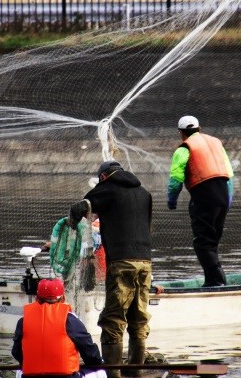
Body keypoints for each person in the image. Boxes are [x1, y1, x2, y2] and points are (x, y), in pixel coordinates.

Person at [69, 161, 153, 378]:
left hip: (121, 263)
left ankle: (113, 375)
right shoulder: (144, 193)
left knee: (113, 319)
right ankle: (135, 372)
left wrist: (71, 222)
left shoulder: (107, 188)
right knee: (138, 315)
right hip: (145, 262)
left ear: (104, 177)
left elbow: (82, 206)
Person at [167, 115, 234, 287]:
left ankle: (216, 282)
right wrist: (228, 201)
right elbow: (229, 174)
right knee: (213, 239)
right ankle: (216, 279)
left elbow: (176, 179)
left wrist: (172, 200)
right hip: (223, 197)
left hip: (204, 197)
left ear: (181, 133)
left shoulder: (184, 149)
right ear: (199, 128)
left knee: (202, 242)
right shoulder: (216, 143)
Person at [11, 278, 106, 378]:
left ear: (37, 298)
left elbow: (16, 352)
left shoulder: (23, 321)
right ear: (63, 298)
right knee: (101, 370)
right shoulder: (70, 319)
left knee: (20, 371)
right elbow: (90, 353)